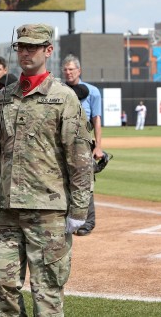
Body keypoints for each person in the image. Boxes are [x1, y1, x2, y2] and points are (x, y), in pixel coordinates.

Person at [0, 24, 93, 317]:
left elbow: (79, 157)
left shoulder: (64, 98)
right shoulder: (4, 98)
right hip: (6, 211)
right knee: (2, 288)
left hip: (47, 213)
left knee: (47, 293)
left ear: (48, 51)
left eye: (33, 47)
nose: (26, 52)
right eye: (21, 47)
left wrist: (79, 209)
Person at [62, 54, 102, 236]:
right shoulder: (60, 90)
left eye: (71, 69)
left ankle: (87, 223)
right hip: (63, 142)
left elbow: (96, 119)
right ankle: (66, 218)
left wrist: (98, 146)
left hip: (84, 142)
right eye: (65, 69)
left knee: (85, 182)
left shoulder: (92, 91)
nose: (68, 72)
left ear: (79, 71)